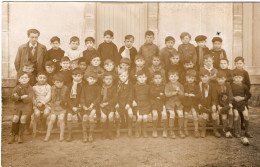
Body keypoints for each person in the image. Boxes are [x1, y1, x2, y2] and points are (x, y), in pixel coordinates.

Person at [8, 72, 33, 144]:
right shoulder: (16, 88)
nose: (24, 79)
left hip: (27, 105)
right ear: (19, 80)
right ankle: (13, 134)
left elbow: (29, 98)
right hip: (18, 105)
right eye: (22, 78)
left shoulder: (30, 88)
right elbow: (13, 98)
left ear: (28, 79)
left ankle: (20, 135)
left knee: (23, 118)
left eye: (25, 78)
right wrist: (21, 97)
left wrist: (18, 97)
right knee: (15, 118)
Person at [44, 73, 67, 142]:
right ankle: (47, 135)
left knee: (61, 118)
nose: (59, 84)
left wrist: (61, 102)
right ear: (54, 82)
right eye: (57, 82)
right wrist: (47, 104)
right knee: (52, 119)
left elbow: (66, 99)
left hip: (62, 107)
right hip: (54, 106)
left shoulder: (65, 88)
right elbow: (50, 98)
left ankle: (61, 135)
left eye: (61, 82)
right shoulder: (52, 88)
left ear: (63, 82)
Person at [198, 69, 220, 138]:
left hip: (210, 105)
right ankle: (203, 130)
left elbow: (214, 97)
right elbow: (196, 97)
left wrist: (214, 105)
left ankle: (215, 130)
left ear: (209, 77)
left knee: (214, 115)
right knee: (204, 115)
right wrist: (198, 103)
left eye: (206, 77)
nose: (204, 78)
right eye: (202, 77)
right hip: (203, 105)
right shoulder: (198, 85)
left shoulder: (212, 85)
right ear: (200, 78)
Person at [231, 69, 253, 138]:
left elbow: (249, 95)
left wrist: (243, 98)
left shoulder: (244, 86)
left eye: (239, 78)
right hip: (234, 103)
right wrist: (233, 98)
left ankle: (247, 131)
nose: (238, 79)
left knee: (246, 115)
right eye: (236, 77)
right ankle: (236, 132)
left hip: (242, 103)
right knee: (236, 115)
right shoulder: (231, 86)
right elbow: (229, 94)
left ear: (242, 78)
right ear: (233, 78)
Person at [80, 72, 100, 142]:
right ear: (87, 79)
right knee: (85, 117)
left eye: (94, 79)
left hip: (94, 106)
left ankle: (91, 134)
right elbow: (82, 97)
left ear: (96, 80)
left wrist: (93, 104)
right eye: (90, 79)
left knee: (91, 116)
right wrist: (83, 105)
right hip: (85, 106)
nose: (92, 80)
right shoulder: (84, 87)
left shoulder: (97, 87)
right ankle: (85, 134)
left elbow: (98, 98)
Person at [65, 68, 84, 142]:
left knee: (83, 116)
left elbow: (83, 96)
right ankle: (70, 134)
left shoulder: (84, 84)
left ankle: (84, 133)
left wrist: (79, 105)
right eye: (75, 76)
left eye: (79, 76)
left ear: (82, 76)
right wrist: (72, 106)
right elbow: (67, 97)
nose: (77, 78)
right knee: (69, 115)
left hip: (80, 104)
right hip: (72, 105)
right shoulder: (70, 85)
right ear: (72, 76)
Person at [213, 71, 233, 138]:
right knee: (224, 116)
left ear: (225, 79)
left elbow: (230, 95)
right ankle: (226, 131)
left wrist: (230, 102)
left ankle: (229, 127)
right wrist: (218, 105)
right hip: (221, 104)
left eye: (222, 79)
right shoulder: (215, 86)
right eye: (219, 79)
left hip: (227, 103)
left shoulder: (228, 85)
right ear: (216, 79)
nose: (220, 80)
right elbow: (215, 98)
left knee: (230, 111)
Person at [233, 56, 251, 130]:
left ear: (243, 64)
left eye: (240, 63)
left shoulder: (245, 73)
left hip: (243, 93)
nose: (239, 65)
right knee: (236, 110)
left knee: (244, 108)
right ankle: (236, 125)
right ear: (235, 64)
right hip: (234, 94)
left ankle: (242, 123)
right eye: (237, 63)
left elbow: (248, 84)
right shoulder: (232, 72)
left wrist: (244, 94)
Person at [165, 70, 185, 139]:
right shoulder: (167, 85)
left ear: (178, 77)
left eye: (175, 76)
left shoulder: (180, 85)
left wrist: (179, 91)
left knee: (180, 114)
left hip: (178, 103)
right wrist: (174, 92)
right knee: (172, 114)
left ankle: (180, 130)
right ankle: (171, 131)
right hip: (170, 103)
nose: (173, 78)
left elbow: (182, 96)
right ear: (169, 78)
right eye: (171, 76)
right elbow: (167, 94)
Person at [32, 71, 51, 137]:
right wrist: (36, 103)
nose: (42, 79)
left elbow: (49, 96)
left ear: (46, 79)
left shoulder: (48, 87)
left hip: (46, 103)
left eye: (44, 78)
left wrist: (43, 102)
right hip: (37, 104)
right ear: (37, 78)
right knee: (37, 114)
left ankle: (43, 122)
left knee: (46, 113)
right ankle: (39, 123)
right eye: (40, 78)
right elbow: (33, 97)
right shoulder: (34, 87)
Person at [115, 71, 134, 137]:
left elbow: (131, 95)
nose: (123, 78)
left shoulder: (130, 84)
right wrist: (117, 103)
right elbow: (116, 95)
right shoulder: (117, 84)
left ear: (128, 76)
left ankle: (129, 127)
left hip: (127, 102)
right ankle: (118, 127)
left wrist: (128, 103)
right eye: (121, 76)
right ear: (119, 77)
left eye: (125, 76)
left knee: (130, 113)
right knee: (117, 114)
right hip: (119, 102)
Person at [183, 69, 201, 138]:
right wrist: (185, 94)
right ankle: (185, 129)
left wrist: (193, 95)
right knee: (186, 115)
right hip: (186, 103)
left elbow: (199, 95)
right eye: (189, 78)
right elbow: (182, 95)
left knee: (195, 115)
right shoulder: (184, 85)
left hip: (194, 103)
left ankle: (196, 130)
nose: (191, 80)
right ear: (186, 78)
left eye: (192, 78)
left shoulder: (196, 86)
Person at [100, 72, 117, 140]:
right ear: (103, 80)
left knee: (110, 117)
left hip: (111, 105)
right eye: (107, 79)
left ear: (112, 80)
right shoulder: (101, 87)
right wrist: (100, 104)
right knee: (104, 118)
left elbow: (115, 98)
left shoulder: (114, 87)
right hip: (102, 105)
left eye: (110, 79)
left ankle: (110, 132)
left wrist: (107, 103)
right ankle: (104, 132)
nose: (108, 80)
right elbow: (98, 97)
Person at [133, 71, 151, 138]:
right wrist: (133, 101)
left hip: (146, 104)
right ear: (137, 78)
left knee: (145, 118)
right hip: (138, 104)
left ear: (146, 78)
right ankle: (137, 130)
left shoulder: (148, 86)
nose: (142, 79)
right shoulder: (134, 86)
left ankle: (144, 130)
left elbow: (150, 96)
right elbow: (132, 95)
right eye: (140, 77)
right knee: (140, 118)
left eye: (143, 77)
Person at [149, 71, 166, 138]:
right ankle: (154, 130)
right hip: (154, 103)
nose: (158, 80)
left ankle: (165, 130)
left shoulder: (164, 86)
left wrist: (160, 95)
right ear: (153, 79)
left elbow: (165, 95)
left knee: (164, 115)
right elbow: (151, 94)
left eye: (159, 78)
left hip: (162, 103)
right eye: (156, 78)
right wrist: (159, 94)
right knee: (155, 114)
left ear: (162, 79)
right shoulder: (151, 86)